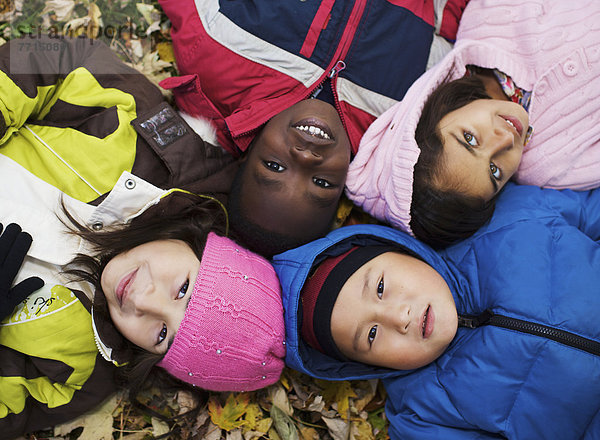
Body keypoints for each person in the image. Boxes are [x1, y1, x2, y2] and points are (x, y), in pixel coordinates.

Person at [0, 35, 284, 438]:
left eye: (162, 335)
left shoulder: (79, 374)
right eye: (183, 288)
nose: (143, 301)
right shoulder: (140, 149)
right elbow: (59, 57)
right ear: (199, 246)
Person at [272, 182, 600, 439]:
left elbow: (590, 211)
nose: (398, 318)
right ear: (368, 367)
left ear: (401, 251)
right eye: (371, 335)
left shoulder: (501, 218)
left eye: (381, 288)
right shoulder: (425, 419)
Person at [158, 0, 470, 255]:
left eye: (274, 165)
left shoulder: (215, 56)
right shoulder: (399, 119)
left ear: (246, 154)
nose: (305, 158)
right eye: (321, 183)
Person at [345, 0, 600, 248]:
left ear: (441, 111)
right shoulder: (553, 166)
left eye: (470, 139)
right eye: (495, 172)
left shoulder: (486, 20)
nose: (504, 139)